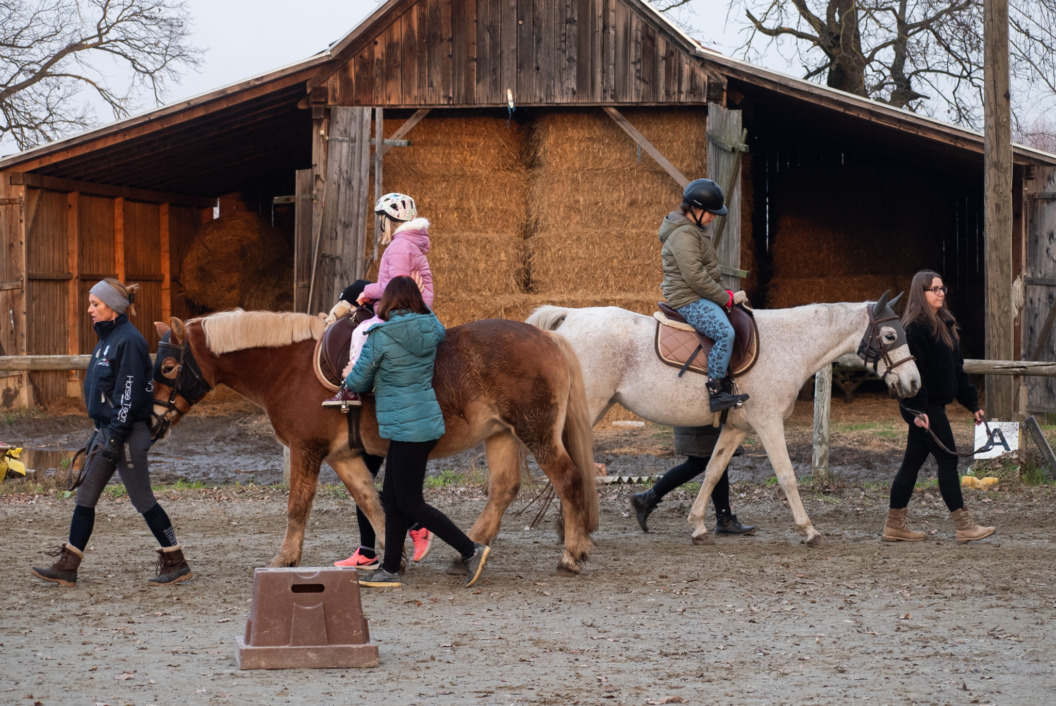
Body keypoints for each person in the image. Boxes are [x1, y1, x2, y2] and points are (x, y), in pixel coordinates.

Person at [31, 279, 192, 586]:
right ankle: (68, 565)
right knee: (86, 495)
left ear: (113, 308)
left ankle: (176, 561)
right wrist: (102, 431)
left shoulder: (128, 341)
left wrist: (116, 437)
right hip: (110, 430)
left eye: (95, 304)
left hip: (127, 433)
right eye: (90, 303)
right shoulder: (107, 339)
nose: (89, 309)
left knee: (143, 500)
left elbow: (128, 394)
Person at [345, 276, 489, 588]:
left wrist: (347, 376)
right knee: (395, 498)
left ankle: (470, 549)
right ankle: (390, 569)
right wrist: (424, 299)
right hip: (422, 423)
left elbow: (358, 381)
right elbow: (436, 323)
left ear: (388, 301)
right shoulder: (431, 329)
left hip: (406, 428)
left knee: (409, 502)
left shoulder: (379, 335)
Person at [883, 270, 995, 544]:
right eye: (934, 289)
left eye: (942, 287)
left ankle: (894, 525)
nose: (941, 292)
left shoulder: (944, 324)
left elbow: (956, 371)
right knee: (948, 460)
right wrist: (916, 411)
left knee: (912, 462)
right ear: (920, 294)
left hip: (933, 408)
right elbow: (911, 375)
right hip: (924, 408)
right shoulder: (914, 329)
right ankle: (964, 525)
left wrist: (972, 404)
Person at [328, 280, 433, 569]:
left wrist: (349, 377)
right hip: (384, 419)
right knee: (366, 484)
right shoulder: (414, 328)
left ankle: (418, 529)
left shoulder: (373, 333)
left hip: (385, 420)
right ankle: (368, 551)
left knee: (384, 491)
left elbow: (361, 379)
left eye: (351, 308)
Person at [323, 193, 434, 408]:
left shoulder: (399, 247)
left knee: (361, 332)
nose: (380, 226)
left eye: (381, 221)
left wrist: (367, 291)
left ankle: (351, 388)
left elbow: (395, 286)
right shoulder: (409, 244)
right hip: (411, 305)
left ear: (388, 222)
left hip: (402, 307)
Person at [659, 178, 749, 413]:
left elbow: (710, 270)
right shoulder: (683, 235)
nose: (714, 217)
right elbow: (695, 277)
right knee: (724, 333)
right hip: (688, 298)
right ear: (696, 209)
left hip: (697, 293)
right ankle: (717, 392)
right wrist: (724, 298)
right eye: (711, 212)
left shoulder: (695, 231)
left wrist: (726, 292)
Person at [630, 426, 756, 535]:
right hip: (699, 423)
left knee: (717, 461)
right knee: (704, 462)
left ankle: (724, 519)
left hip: (701, 423)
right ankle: (646, 499)